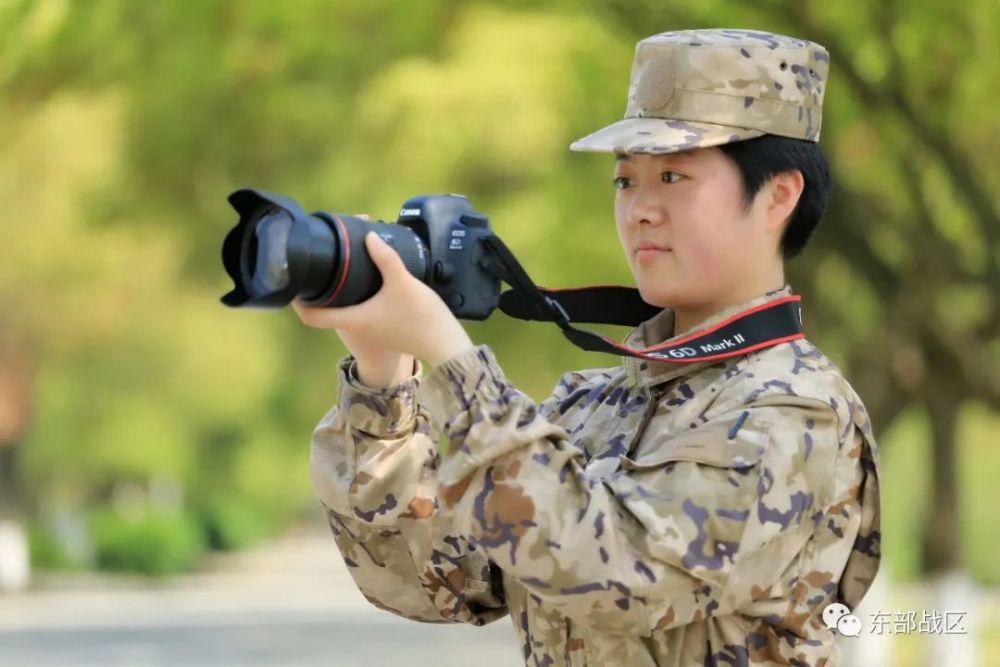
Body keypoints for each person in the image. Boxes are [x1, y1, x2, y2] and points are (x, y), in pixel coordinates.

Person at [294, 28, 881, 666]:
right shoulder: (595, 404)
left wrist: (450, 352)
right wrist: (383, 372)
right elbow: (432, 580)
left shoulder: (796, 413)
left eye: (674, 174)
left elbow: (617, 576)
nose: (640, 210)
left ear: (778, 195)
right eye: (625, 181)